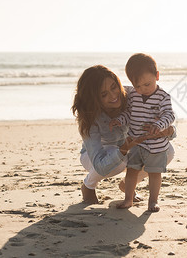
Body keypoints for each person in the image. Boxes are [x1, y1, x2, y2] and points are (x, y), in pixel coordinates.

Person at [71, 65, 175, 205]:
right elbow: (100, 165)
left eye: (114, 87)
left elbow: (167, 117)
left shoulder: (134, 94)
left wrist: (168, 131)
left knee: (167, 151)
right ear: (94, 98)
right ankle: (89, 186)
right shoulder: (89, 117)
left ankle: (127, 185)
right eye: (104, 94)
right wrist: (124, 149)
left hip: (132, 147)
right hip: (96, 156)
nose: (113, 95)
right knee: (121, 158)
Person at [110, 53, 175, 212]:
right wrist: (120, 120)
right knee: (132, 171)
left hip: (156, 145)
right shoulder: (133, 95)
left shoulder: (163, 97)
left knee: (154, 173)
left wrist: (159, 125)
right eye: (138, 86)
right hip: (136, 143)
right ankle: (128, 199)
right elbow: (129, 113)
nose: (143, 89)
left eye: (147, 84)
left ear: (157, 76)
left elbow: (169, 115)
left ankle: (153, 201)